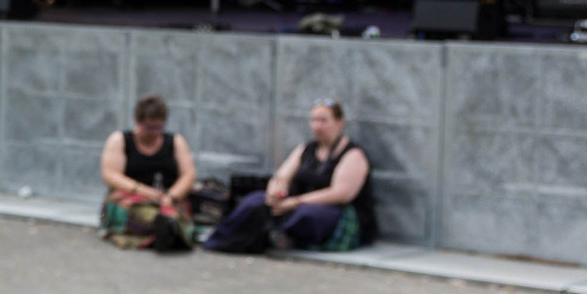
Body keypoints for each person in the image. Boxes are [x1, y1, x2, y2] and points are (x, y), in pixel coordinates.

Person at [202, 98, 378, 253]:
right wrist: (275, 193)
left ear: (339, 123)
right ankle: (220, 238)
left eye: (324, 121)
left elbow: (341, 194)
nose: (317, 126)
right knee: (254, 201)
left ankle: (278, 236)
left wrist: (295, 202)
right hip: (293, 204)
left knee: (307, 215)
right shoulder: (306, 149)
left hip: (332, 210)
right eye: (314, 120)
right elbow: (282, 176)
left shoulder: (353, 154)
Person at [98, 94, 196, 250]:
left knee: (174, 216)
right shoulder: (120, 140)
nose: (154, 132)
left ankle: (170, 230)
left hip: (165, 197)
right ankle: (162, 231)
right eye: (149, 127)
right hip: (132, 197)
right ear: (138, 121)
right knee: (144, 215)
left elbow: (188, 175)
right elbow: (109, 175)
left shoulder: (175, 141)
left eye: (159, 127)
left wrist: (171, 196)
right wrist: (142, 190)